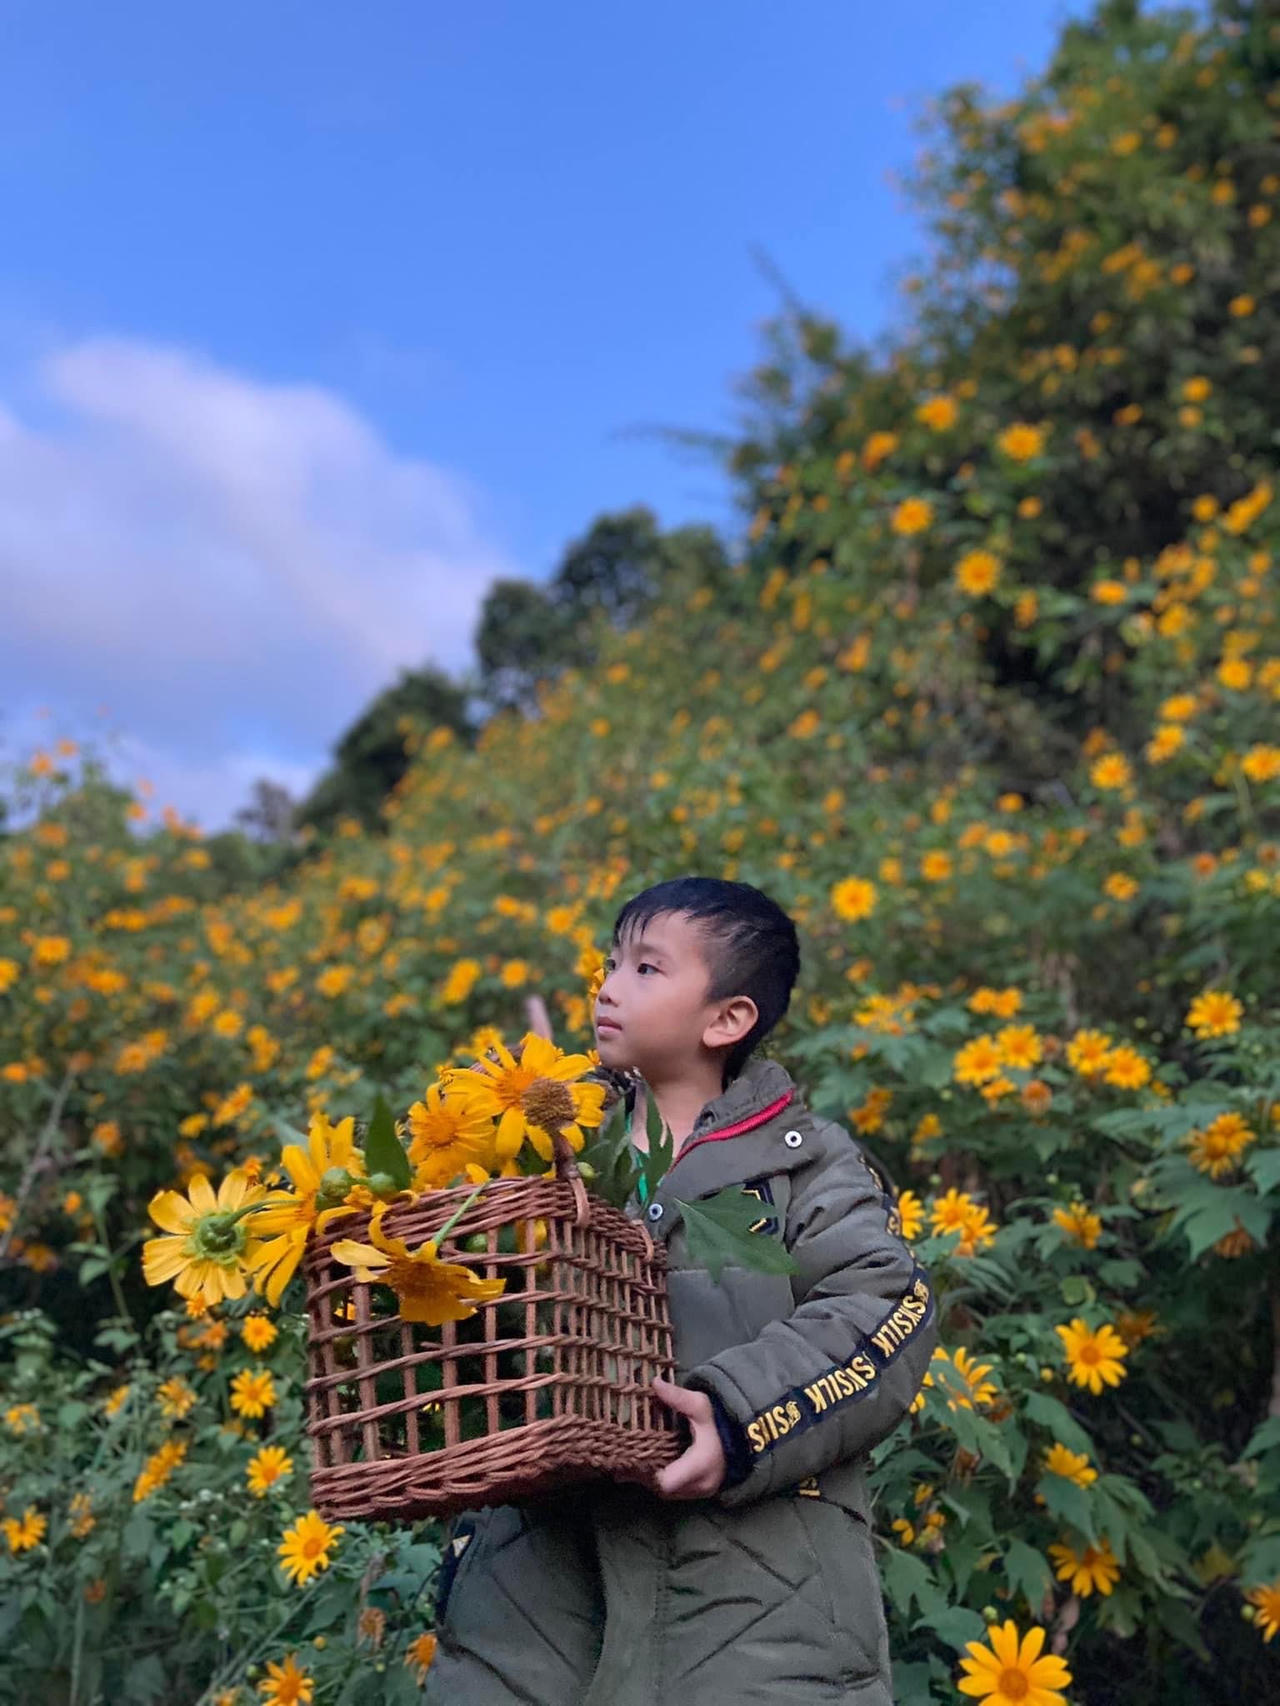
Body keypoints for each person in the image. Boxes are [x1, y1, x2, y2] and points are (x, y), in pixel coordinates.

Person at [423, 876, 937, 1705]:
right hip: (531, 1607)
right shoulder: (540, 1147)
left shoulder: (807, 1165)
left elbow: (885, 1306)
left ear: (726, 1020)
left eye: (646, 968)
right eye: (610, 963)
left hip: (756, 1609)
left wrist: (738, 1418)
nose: (608, 987)